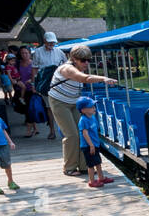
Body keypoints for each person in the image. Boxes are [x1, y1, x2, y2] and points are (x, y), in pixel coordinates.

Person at [48, 44, 116, 176]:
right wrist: (103, 79)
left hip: (74, 102)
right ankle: (69, 167)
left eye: (88, 60)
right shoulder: (67, 69)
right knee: (71, 135)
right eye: (83, 60)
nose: (86, 63)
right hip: (59, 103)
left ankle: (86, 165)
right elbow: (84, 78)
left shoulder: (79, 67)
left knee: (83, 133)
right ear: (73, 58)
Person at [31, 32, 68, 140]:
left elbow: (66, 66)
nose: (51, 44)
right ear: (45, 41)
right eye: (49, 42)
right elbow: (34, 68)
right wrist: (34, 84)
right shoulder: (38, 52)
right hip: (45, 83)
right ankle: (52, 130)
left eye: (53, 42)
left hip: (58, 82)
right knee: (49, 108)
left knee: (61, 106)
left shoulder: (59, 52)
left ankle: (64, 130)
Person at [76, 95, 113, 189]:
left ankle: (101, 178)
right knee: (91, 164)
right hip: (88, 146)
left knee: (98, 162)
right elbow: (85, 134)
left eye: (94, 106)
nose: (94, 108)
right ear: (83, 110)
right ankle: (92, 181)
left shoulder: (92, 117)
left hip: (94, 144)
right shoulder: (83, 120)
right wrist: (91, 145)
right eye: (91, 107)